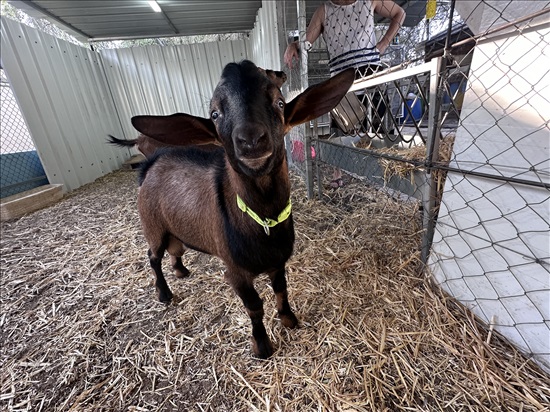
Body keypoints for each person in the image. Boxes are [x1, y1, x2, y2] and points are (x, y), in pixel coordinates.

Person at [284, 0, 405, 187]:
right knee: (341, 129)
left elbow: (400, 13)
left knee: (378, 128)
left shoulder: (369, 1)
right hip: (341, 82)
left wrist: (383, 43)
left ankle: (385, 179)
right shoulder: (324, 11)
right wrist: (294, 45)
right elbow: (307, 41)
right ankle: (338, 176)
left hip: (371, 74)